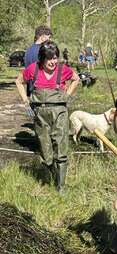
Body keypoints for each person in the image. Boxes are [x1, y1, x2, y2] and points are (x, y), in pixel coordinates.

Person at [15, 41, 80, 192]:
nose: (53, 62)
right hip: (40, 115)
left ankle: (61, 187)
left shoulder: (63, 70)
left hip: (60, 114)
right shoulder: (33, 69)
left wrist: (67, 95)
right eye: (49, 58)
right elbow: (18, 81)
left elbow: (76, 79)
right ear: (42, 58)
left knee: (61, 149)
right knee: (46, 151)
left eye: (55, 57)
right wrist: (25, 101)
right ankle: (50, 176)